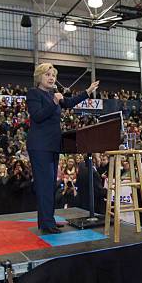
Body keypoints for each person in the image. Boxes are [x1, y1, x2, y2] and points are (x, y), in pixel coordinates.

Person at [27, 63, 98, 234]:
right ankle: (47, 223)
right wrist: (54, 101)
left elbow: (69, 102)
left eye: (53, 75)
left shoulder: (54, 95)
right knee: (44, 185)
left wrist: (87, 92)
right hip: (40, 146)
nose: (52, 78)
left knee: (50, 185)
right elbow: (37, 116)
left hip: (52, 146)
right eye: (48, 75)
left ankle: (47, 220)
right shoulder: (34, 94)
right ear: (39, 77)